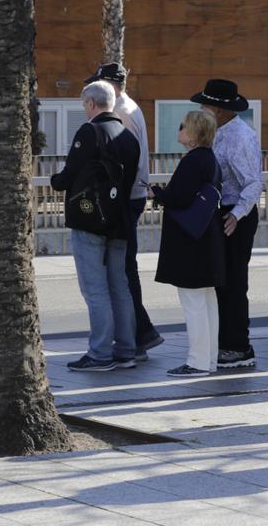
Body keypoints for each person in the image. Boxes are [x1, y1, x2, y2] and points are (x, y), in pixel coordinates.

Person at [50, 81, 141, 372]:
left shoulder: (90, 131)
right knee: (120, 286)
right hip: (121, 221)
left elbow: (69, 174)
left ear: (91, 104)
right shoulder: (129, 137)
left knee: (95, 289)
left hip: (90, 220)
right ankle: (127, 350)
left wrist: (56, 181)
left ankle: (100, 353)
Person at [86, 62, 163, 358]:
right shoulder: (129, 107)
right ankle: (138, 333)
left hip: (126, 198)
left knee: (123, 271)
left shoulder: (123, 113)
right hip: (132, 196)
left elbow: (124, 163)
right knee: (123, 269)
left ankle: (139, 335)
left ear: (112, 84)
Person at [191, 79, 262, 369]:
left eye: (205, 105)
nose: (201, 108)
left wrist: (237, 214)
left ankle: (239, 346)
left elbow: (254, 182)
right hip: (222, 210)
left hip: (236, 214)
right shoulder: (218, 131)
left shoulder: (239, 137)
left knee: (233, 280)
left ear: (219, 110)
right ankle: (224, 341)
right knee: (220, 280)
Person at [151, 109, 224, 376]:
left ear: (193, 133)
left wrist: (157, 193)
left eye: (183, 126)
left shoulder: (193, 161)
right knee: (207, 301)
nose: (179, 129)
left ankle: (197, 361)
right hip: (206, 238)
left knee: (194, 302)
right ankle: (209, 360)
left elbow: (178, 198)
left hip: (191, 241)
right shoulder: (209, 159)